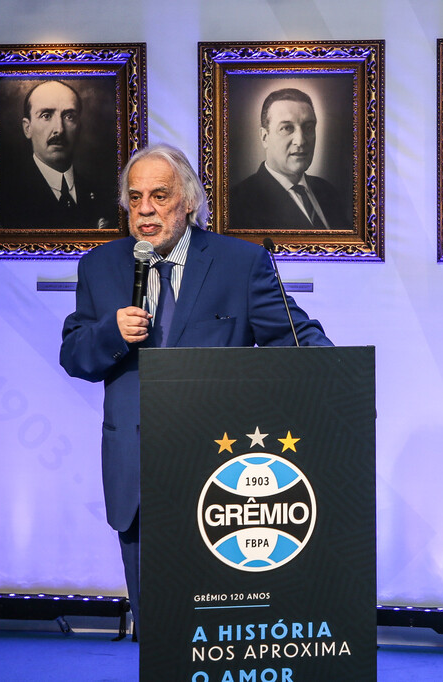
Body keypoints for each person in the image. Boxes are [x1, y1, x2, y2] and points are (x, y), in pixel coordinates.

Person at [59, 143, 333, 630]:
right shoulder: (100, 267)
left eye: (159, 196)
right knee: (158, 629)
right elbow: (75, 355)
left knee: (216, 624)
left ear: (188, 201)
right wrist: (111, 333)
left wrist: (344, 380)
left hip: (220, 470)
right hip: (137, 470)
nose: (145, 210)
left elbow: (294, 335)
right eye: (135, 197)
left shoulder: (240, 263)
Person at [0, 80, 117, 230]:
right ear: (27, 128)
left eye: (69, 117)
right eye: (46, 115)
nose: (59, 129)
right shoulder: (5, 197)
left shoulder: (103, 195)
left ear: (79, 127)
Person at [229, 88, 351, 230]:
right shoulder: (237, 204)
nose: (300, 141)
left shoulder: (328, 192)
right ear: (264, 137)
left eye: (308, 128)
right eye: (287, 128)